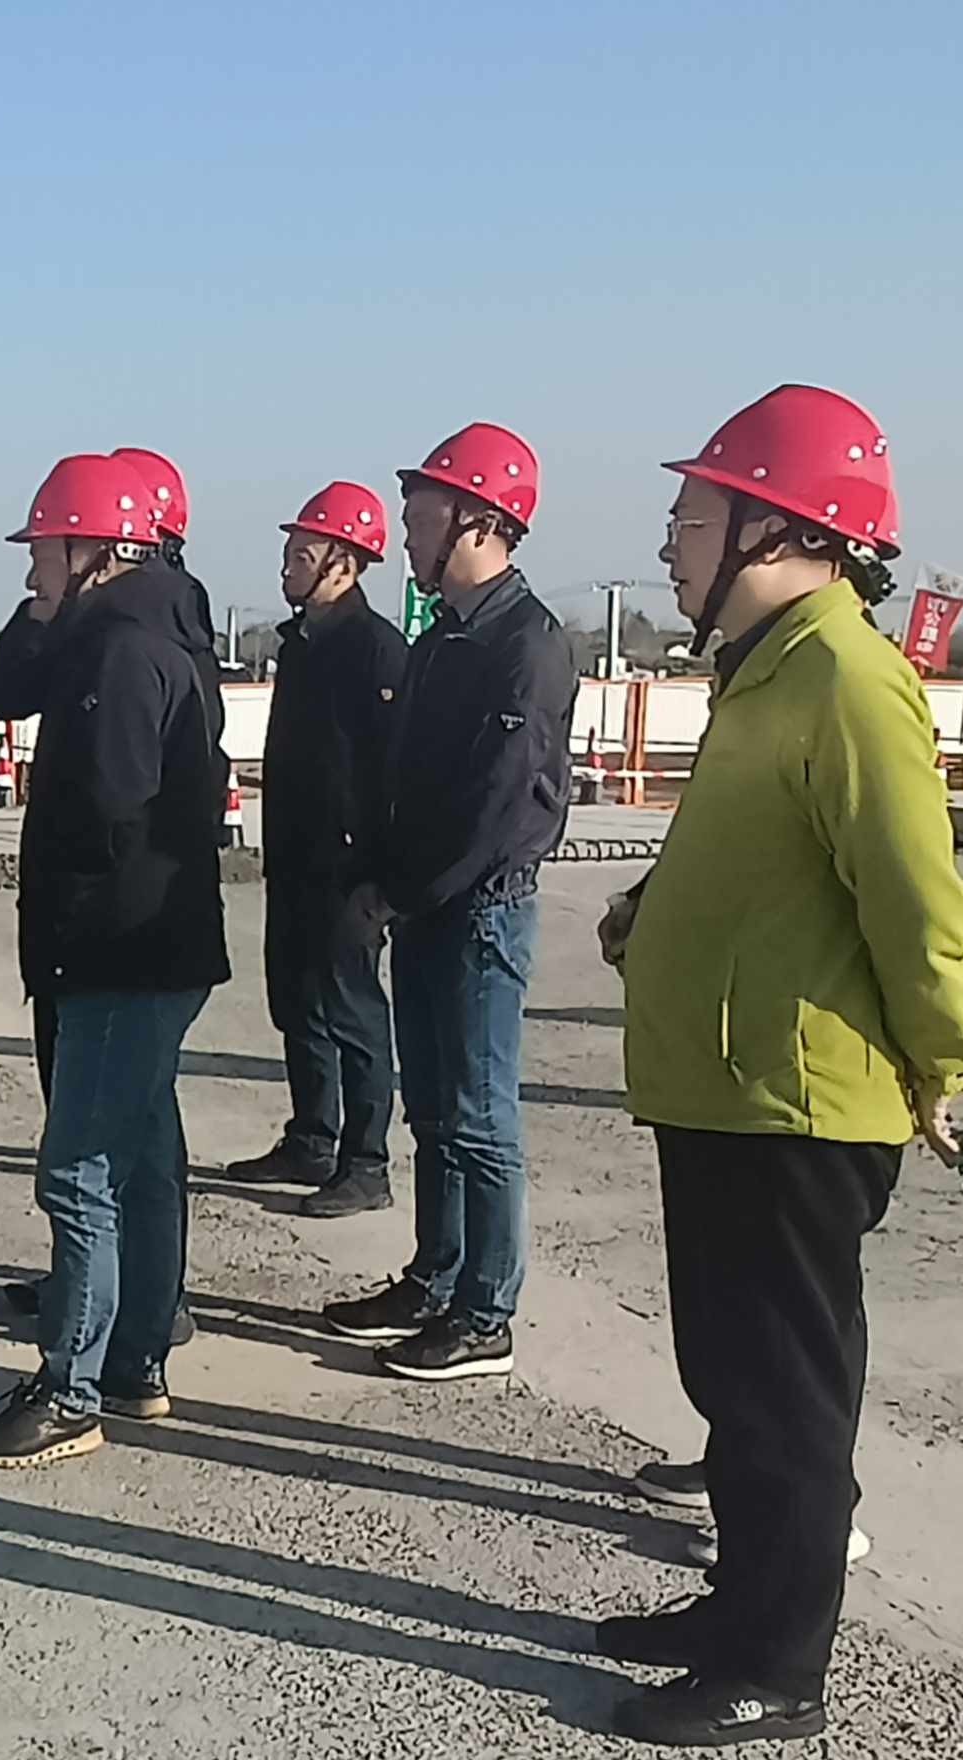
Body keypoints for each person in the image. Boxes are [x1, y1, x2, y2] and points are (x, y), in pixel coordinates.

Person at [594, 384, 963, 1747]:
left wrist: (946, 1061)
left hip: (799, 1104)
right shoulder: (766, 671)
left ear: (781, 529)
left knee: (786, 1398)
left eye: (692, 519)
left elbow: (918, 898)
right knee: (733, 1379)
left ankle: (779, 1663)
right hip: (727, 1090)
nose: (671, 545)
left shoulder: (848, 678)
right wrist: (653, 910)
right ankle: (738, 1607)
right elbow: (761, 856)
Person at [0, 454, 229, 1468]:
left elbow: (108, 808)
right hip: (155, 942)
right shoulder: (142, 630)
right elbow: (11, 690)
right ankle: (133, 1361)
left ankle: (71, 1385)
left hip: (119, 946)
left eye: (44, 549)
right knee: (145, 1159)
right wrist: (47, 611)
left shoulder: (121, 653)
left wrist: (63, 912)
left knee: (79, 1171)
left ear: (96, 549)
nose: (31, 566)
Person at [319, 423, 575, 1382]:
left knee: (479, 1118)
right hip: (427, 908)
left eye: (421, 515)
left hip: (479, 911)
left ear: (477, 521)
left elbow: (492, 803)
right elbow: (407, 782)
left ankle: (485, 1312)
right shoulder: (444, 636)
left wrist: (403, 891)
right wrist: (379, 879)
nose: (406, 532)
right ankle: (434, 1278)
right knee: (432, 1110)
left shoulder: (525, 644)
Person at [227, 483, 408, 1218]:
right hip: (294, 857)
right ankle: (311, 1137)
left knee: (353, 1013)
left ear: (345, 562)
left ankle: (366, 1163)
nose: (287, 566)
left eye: (302, 554)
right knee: (297, 1000)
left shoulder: (377, 650)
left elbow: (392, 775)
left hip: (347, 871)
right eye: (289, 552)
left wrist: (380, 877)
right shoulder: (300, 644)